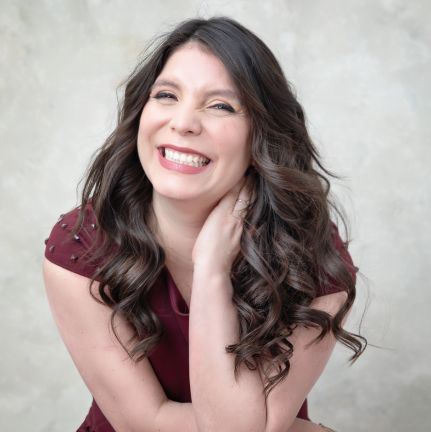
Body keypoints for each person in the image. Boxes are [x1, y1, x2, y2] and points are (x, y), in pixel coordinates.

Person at [43, 16, 366, 432]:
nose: (183, 122)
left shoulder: (311, 255)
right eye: (166, 95)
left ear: (261, 135)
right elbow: (145, 422)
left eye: (220, 106)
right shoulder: (82, 246)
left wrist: (212, 267)